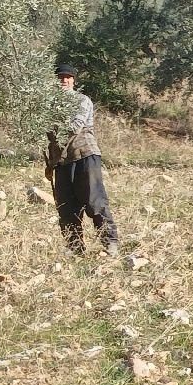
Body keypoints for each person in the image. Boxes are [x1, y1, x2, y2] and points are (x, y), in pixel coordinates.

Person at [46, 63, 119, 256]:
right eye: (61, 77)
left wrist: (50, 124)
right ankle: (74, 247)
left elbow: (75, 126)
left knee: (94, 200)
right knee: (66, 206)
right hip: (62, 161)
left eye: (68, 77)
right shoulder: (48, 105)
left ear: (73, 81)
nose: (64, 80)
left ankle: (110, 243)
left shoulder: (82, 100)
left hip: (85, 154)